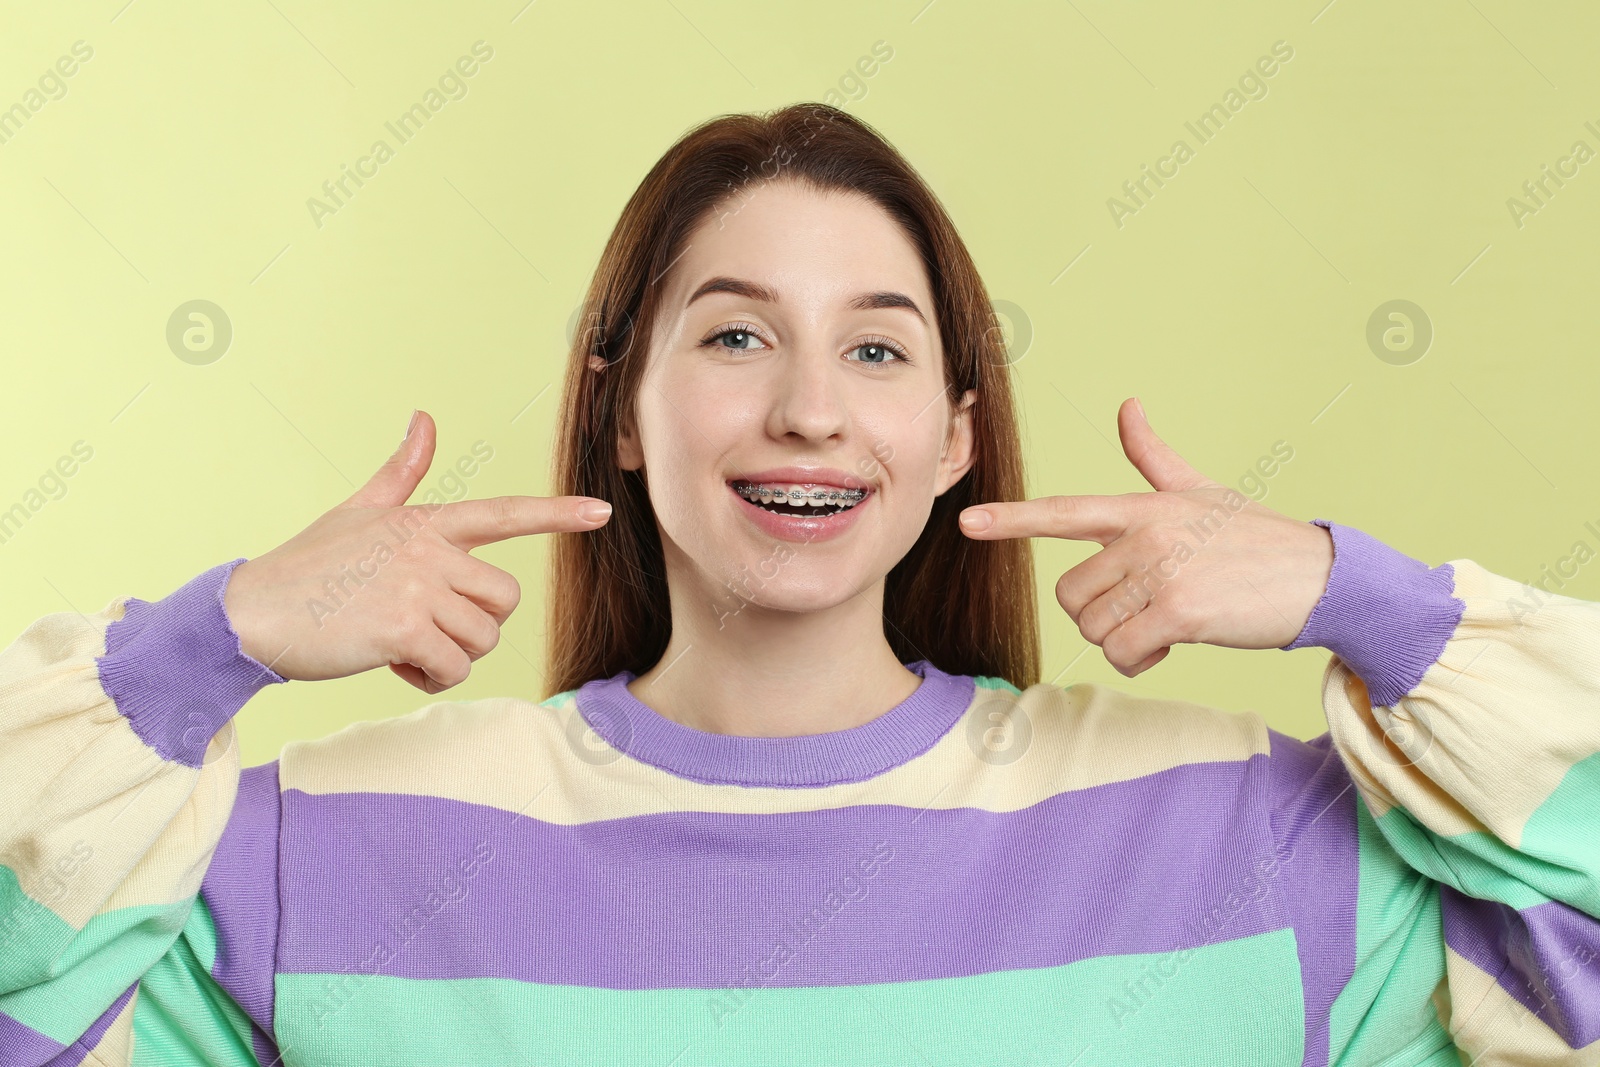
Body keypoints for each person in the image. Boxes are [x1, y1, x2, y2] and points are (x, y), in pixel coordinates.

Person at [2, 102, 1596, 1066]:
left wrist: (1359, 595)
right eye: (738, 335)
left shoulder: (1235, 838)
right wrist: (210, 643)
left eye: (879, 348)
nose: (810, 410)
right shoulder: (328, 852)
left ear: (957, 433)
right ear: (626, 406)